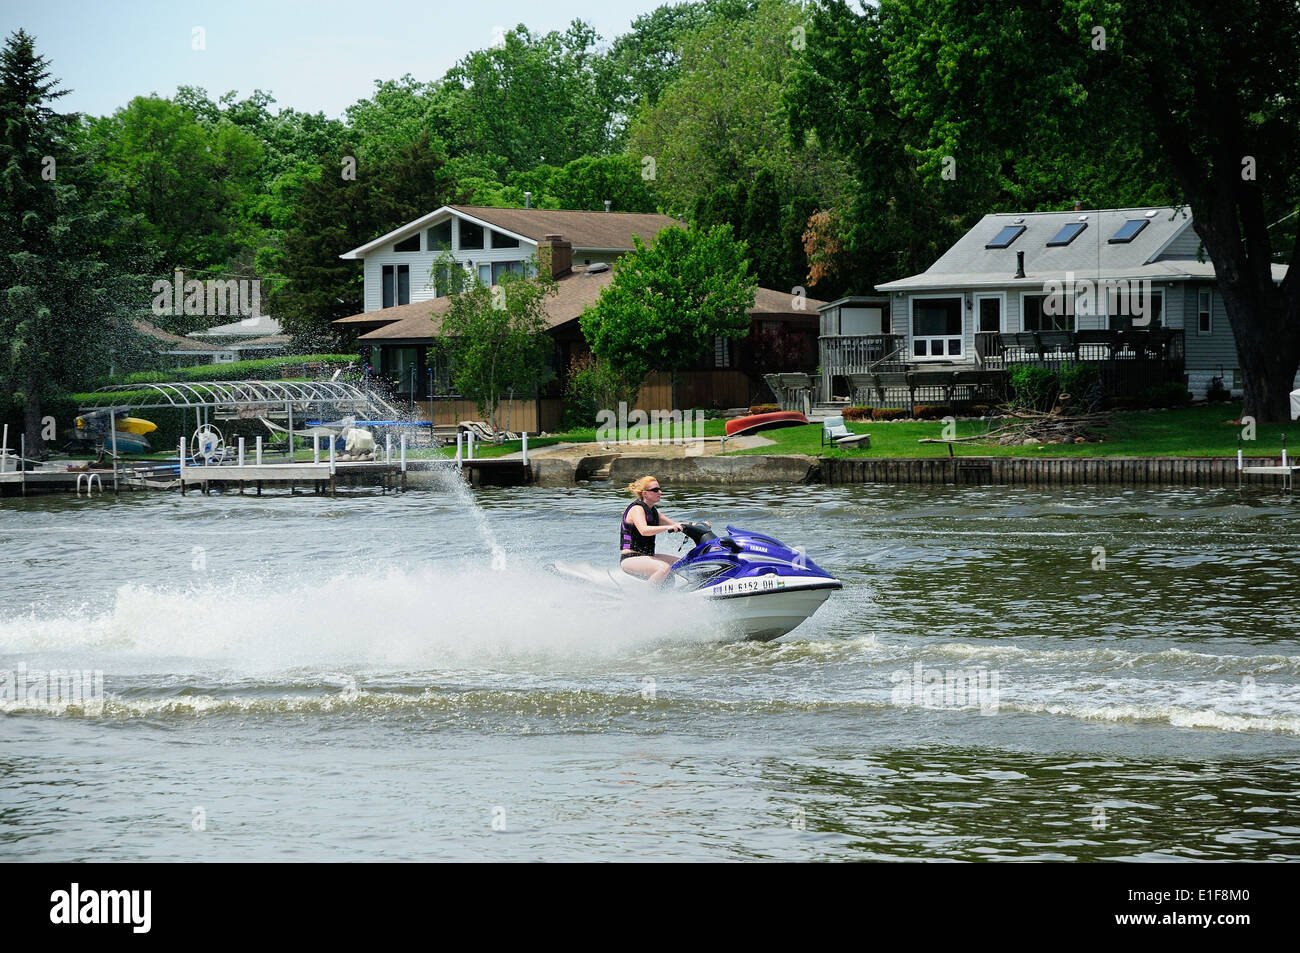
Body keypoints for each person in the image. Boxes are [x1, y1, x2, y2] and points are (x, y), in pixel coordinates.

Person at [619, 475, 683, 585]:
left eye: (659, 489)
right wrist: (667, 528)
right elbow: (644, 530)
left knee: (682, 563)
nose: (660, 492)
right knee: (663, 568)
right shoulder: (637, 509)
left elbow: (675, 524)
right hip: (631, 558)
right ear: (645, 493)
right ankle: (646, 599)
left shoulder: (653, 511)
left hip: (648, 557)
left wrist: (697, 525)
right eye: (655, 490)